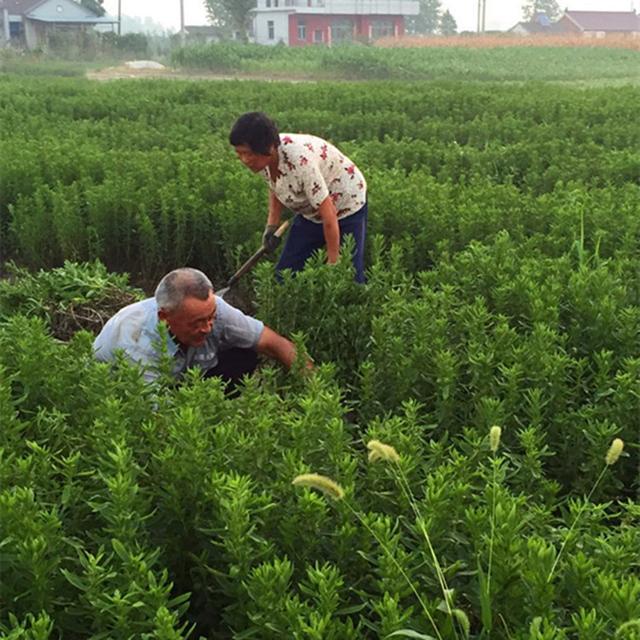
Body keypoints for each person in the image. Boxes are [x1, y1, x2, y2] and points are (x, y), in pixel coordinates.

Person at [93, 267, 303, 389]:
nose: (207, 327)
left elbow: (273, 342)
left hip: (184, 376)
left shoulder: (212, 307)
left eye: (210, 318)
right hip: (127, 390)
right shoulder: (138, 344)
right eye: (197, 322)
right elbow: (157, 420)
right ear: (164, 317)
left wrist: (319, 388)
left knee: (245, 353)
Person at [229, 112, 368, 283]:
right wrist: (272, 226)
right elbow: (276, 186)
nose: (244, 160)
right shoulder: (265, 160)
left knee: (348, 276)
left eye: (248, 153)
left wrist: (333, 262)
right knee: (285, 274)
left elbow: (329, 214)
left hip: (345, 204)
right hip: (311, 212)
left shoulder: (300, 162)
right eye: (239, 153)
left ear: (269, 148)